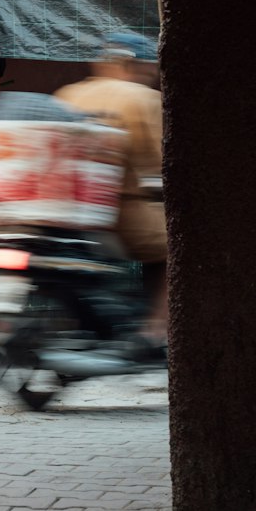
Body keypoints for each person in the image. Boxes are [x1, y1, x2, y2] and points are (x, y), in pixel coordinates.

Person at [55, 31, 166, 346]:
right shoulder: (143, 98)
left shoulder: (68, 95)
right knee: (173, 251)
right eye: (150, 68)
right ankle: (155, 330)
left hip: (69, 214)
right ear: (134, 65)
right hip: (119, 212)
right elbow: (157, 162)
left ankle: (81, 325)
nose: (153, 75)